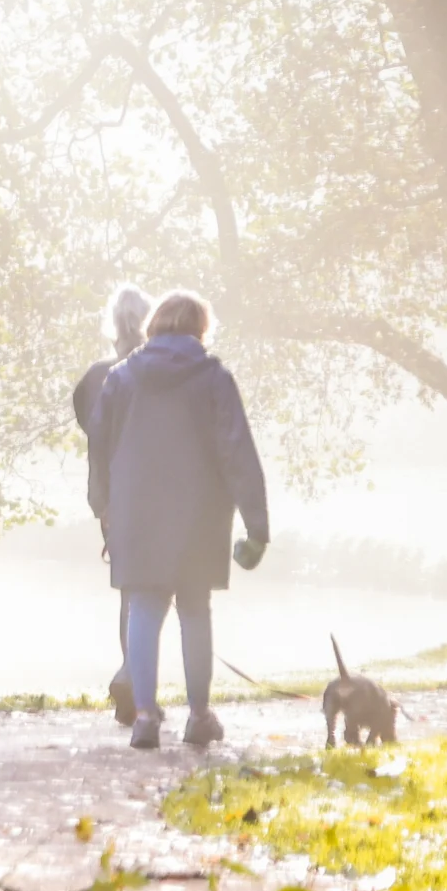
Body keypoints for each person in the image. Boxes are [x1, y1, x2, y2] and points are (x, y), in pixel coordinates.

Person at [86, 288, 271, 751]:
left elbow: (99, 446)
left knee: (144, 609)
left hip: (136, 511)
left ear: (153, 325)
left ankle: (145, 717)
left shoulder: (121, 378)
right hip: (200, 514)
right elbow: (237, 451)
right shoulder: (214, 378)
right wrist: (257, 527)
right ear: (201, 330)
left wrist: (103, 505)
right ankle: (199, 716)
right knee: (194, 611)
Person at [72, 284, 152, 723]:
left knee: (131, 591)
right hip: (156, 496)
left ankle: (132, 678)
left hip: (111, 501)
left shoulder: (95, 377)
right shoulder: (158, 375)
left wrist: (102, 502)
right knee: (154, 592)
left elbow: (92, 433)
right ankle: (134, 679)